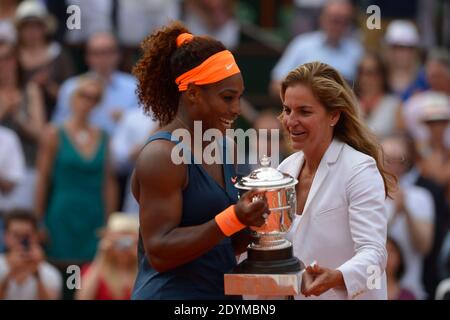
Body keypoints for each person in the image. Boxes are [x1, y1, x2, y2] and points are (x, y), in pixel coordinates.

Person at [130, 21, 269, 300]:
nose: (236, 109)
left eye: (239, 98)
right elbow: (159, 251)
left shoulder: (228, 148)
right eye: (227, 98)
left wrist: (257, 220)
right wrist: (233, 218)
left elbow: (227, 245)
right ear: (193, 93)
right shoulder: (163, 155)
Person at [277, 61, 393, 299]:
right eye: (288, 110)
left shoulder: (360, 169)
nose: (291, 120)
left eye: (304, 111)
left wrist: (339, 277)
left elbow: (375, 255)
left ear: (333, 116)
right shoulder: (284, 170)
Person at [35, 76, 118, 298]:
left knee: (86, 271)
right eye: (84, 95)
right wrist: (39, 218)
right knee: (62, 269)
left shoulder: (103, 135)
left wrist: (109, 221)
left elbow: (108, 181)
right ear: (73, 97)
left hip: (93, 212)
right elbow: (43, 179)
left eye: (94, 97)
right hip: (63, 210)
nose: (88, 101)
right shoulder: (54, 133)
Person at [270, 0, 363, 97]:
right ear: (322, 18)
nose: (339, 25)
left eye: (345, 21)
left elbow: (365, 89)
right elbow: (276, 85)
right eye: (334, 20)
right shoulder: (302, 44)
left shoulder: (357, 50)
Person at [381, 135, 434, 299]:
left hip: (411, 289)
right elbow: (367, 244)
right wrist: (395, 215)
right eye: (388, 159)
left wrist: (407, 211)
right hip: (376, 289)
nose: (395, 165)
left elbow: (424, 246)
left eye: (400, 159)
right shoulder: (368, 196)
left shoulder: (421, 197)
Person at [0, 209, 62, 300]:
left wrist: (36, 274)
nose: (21, 241)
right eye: (16, 235)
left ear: (36, 236)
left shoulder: (50, 273)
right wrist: (10, 274)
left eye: (26, 236)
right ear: (6, 237)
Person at [75, 213, 139, 300]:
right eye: (119, 240)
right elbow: (82, 298)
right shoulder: (93, 270)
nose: (123, 246)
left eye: (127, 241)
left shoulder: (144, 272)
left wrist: (140, 254)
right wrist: (101, 254)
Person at [354, 52, 401, 138]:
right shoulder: (350, 103)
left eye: (370, 72)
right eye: (361, 72)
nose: (364, 77)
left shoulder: (394, 104)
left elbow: (400, 138)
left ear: (382, 75)